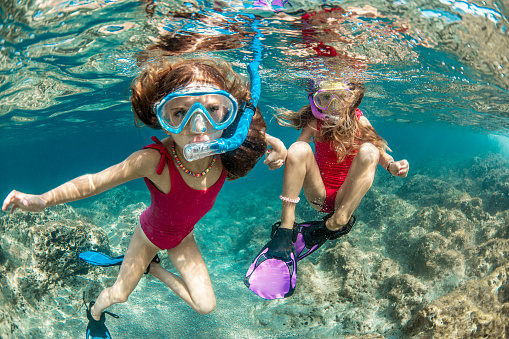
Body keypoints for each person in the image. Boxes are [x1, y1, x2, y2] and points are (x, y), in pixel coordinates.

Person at [2, 56, 286, 338]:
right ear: (163, 120)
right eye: (179, 113)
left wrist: (279, 147)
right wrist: (42, 199)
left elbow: (264, 139)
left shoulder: (229, 152)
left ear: (229, 114)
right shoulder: (153, 161)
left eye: (212, 109)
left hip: (183, 238)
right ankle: (94, 313)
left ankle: (153, 268)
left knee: (205, 305)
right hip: (149, 235)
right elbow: (94, 182)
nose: (198, 126)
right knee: (120, 294)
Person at [244, 79, 408, 299]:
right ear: (314, 100)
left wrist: (392, 165)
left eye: (340, 98)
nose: (333, 106)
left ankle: (338, 221)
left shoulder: (360, 120)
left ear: (351, 99)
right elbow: (296, 152)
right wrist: (283, 155)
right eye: (324, 99)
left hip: (344, 199)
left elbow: (379, 151)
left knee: (369, 150)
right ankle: (285, 230)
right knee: (299, 147)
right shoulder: (314, 123)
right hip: (319, 196)